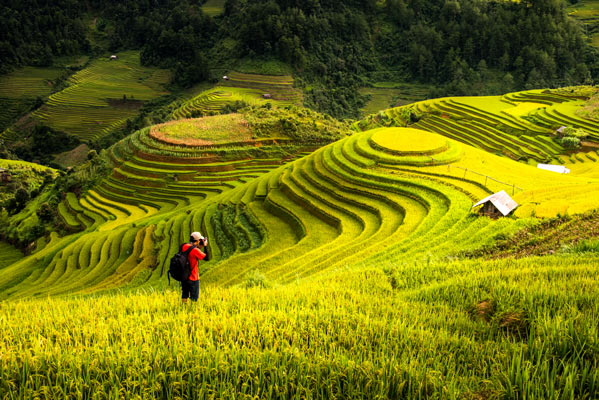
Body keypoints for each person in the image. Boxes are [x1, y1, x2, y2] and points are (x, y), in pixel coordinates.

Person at [181, 232, 210, 303]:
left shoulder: (184, 246)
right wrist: (205, 246)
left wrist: (198, 246)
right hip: (193, 277)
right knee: (194, 297)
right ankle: (192, 310)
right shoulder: (195, 250)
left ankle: (183, 308)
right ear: (198, 241)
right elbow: (207, 258)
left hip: (184, 276)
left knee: (185, 294)